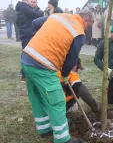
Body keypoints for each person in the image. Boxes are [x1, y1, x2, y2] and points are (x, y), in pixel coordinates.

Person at [21, 8, 93, 143]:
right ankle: (63, 139)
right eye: (88, 26)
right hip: (42, 65)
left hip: (27, 59)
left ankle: (45, 128)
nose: (86, 30)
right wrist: (65, 75)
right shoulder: (79, 31)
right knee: (57, 100)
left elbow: (35, 23)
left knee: (38, 96)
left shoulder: (59, 16)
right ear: (85, 20)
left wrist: (43, 41)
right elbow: (72, 59)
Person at [16, 0, 44, 81]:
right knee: (26, 52)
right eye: (31, 2)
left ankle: (30, 71)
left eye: (35, 2)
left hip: (34, 34)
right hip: (27, 34)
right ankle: (23, 73)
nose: (33, 3)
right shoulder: (25, 8)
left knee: (34, 53)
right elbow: (19, 21)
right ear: (28, 2)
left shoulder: (33, 10)